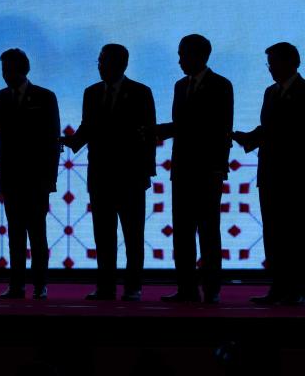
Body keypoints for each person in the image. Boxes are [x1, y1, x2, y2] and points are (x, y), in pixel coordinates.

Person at [62, 44, 156, 301]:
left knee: (133, 236)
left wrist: (147, 172)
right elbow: (87, 127)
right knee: (103, 236)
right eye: (99, 61)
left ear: (121, 64)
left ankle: (133, 287)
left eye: (104, 61)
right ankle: (105, 287)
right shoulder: (91, 93)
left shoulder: (140, 92)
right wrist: (67, 142)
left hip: (131, 178)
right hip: (100, 176)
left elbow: (149, 135)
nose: (100, 65)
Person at [0, 49, 60, 299]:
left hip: (37, 180)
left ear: (23, 69)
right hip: (10, 179)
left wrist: (50, 180)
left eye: (9, 69)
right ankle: (17, 285)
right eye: (3, 70)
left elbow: (52, 141)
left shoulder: (45, 97)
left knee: (38, 235)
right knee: (16, 235)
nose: (5, 75)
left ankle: (40, 285)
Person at [155, 34, 233, 304]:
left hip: (208, 170)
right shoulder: (180, 86)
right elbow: (181, 125)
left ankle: (211, 289)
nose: (179, 60)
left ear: (199, 56)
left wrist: (218, 167)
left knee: (209, 231)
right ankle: (187, 287)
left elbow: (221, 128)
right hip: (183, 169)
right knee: (183, 231)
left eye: (182, 55)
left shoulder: (221, 85)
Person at [233, 42, 305, 305]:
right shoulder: (270, 92)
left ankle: (296, 289)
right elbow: (268, 128)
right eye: (269, 63)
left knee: (296, 234)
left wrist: (257, 137)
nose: (270, 68)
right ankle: (278, 287)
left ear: (292, 62)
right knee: (274, 233)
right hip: (271, 174)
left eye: (274, 62)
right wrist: (246, 138)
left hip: (296, 177)